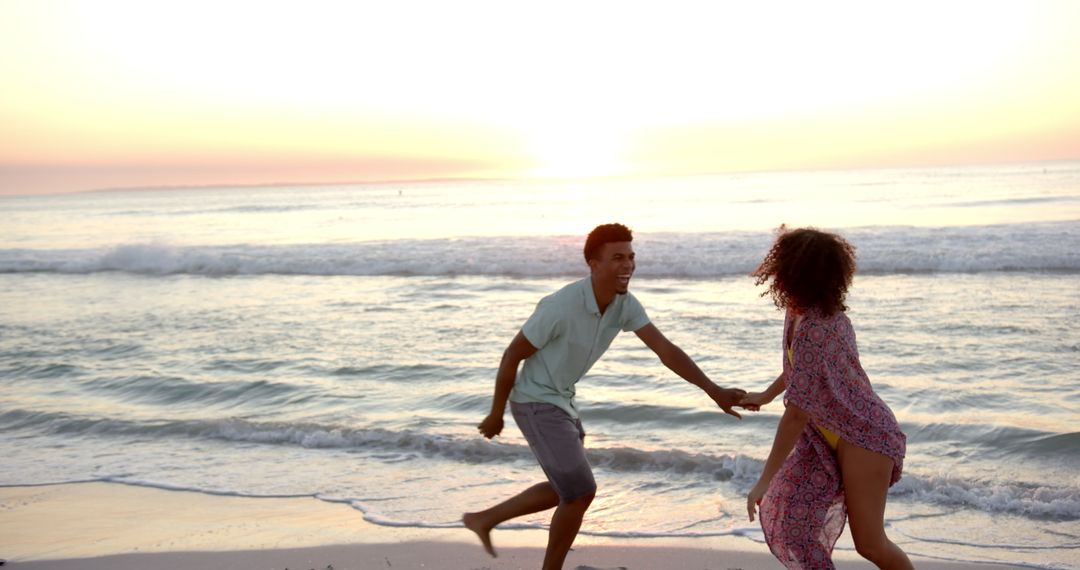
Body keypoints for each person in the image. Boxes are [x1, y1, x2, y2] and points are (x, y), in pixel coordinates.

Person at [463, 223, 746, 570]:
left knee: (566, 486)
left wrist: (713, 390)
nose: (627, 265)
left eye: (631, 257)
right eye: (617, 258)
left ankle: (484, 519)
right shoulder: (560, 306)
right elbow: (512, 355)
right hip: (535, 402)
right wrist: (496, 413)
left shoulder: (624, 304)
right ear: (593, 264)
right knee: (580, 491)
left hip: (562, 401)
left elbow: (666, 350)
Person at [742, 227, 912, 570]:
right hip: (825, 435)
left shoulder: (820, 326)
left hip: (865, 436)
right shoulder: (797, 313)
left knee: (870, 544)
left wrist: (763, 480)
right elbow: (801, 371)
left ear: (795, 272)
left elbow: (796, 415)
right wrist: (766, 394)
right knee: (794, 523)